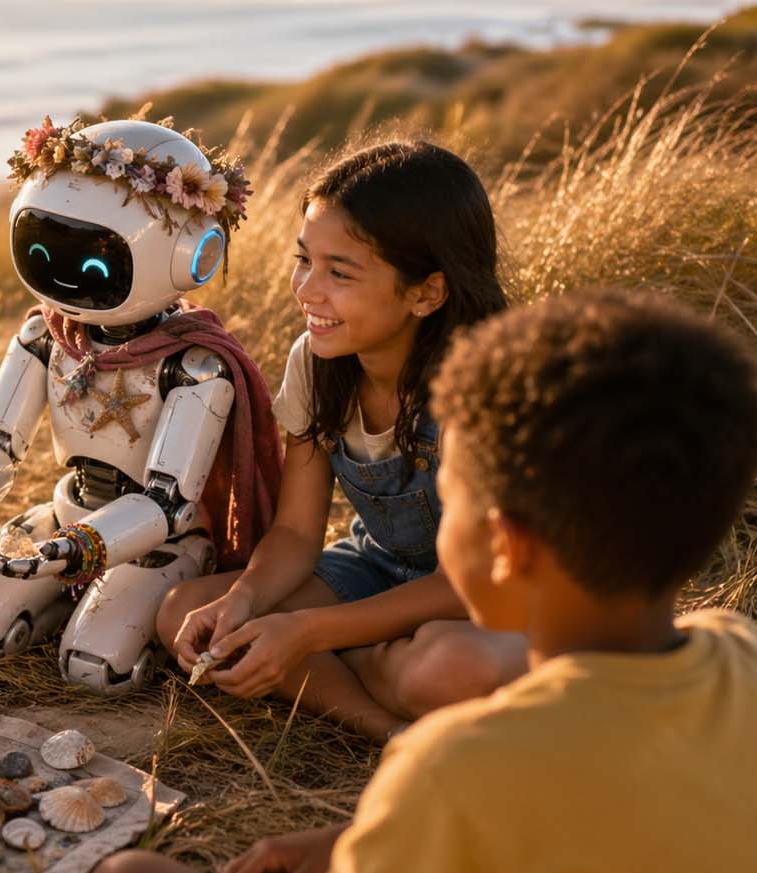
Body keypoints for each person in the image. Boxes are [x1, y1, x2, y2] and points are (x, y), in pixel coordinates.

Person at [78, 289, 757, 873]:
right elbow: (637, 797)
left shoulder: (453, 768)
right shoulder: (750, 657)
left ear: (503, 544)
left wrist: (400, 832)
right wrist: (360, 842)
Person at [158, 140, 525, 740]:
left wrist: (308, 633)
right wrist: (246, 603)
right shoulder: (318, 361)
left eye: (340, 272)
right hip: (375, 569)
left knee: (449, 669)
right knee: (184, 614)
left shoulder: (484, 384)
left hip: (484, 594)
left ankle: (336, 665)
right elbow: (300, 532)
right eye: (305, 260)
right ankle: (385, 725)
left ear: (426, 293)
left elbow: (472, 577)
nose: (307, 290)